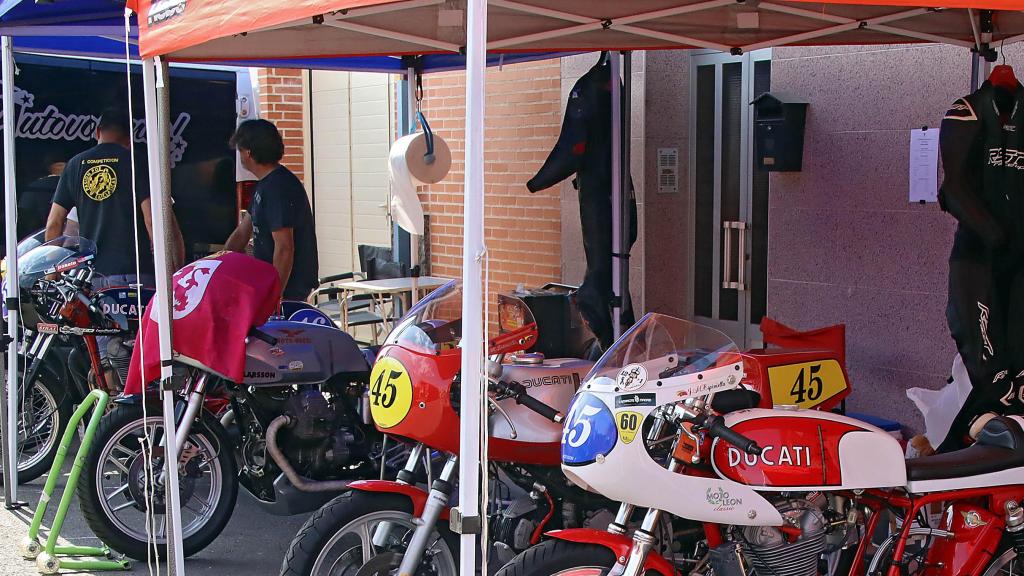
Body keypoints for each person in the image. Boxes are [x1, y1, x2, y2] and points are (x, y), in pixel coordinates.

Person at [937, 68, 1024, 451]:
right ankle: (969, 432)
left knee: (1018, 350)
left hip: (1017, 257)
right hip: (978, 256)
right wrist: (993, 232)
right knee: (984, 352)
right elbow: (953, 187)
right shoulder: (967, 111)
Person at [45, 106, 184, 288]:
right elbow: (152, 219)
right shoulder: (137, 162)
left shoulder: (75, 165)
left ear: (97, 132)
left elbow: (54, 223)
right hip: (135, 275)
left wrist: (51, 275)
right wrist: (167, 271)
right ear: (129, 138)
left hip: (92, 278)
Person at [225, 119, 318, 301]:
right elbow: (243, 232)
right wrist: (218, 263)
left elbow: (284, 247)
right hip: (270, 284)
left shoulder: (279, 187)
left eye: (240, 150)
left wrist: (275, 295)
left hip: (290, 290)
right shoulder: (264, 185)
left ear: (248, 153)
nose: (240, 156)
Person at [18, 153, 65, 239]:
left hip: (37, 237)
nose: (62, 167)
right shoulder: (72, 186)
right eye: (60, 165)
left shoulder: (34, 186)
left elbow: (24, 212)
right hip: (40, 236)